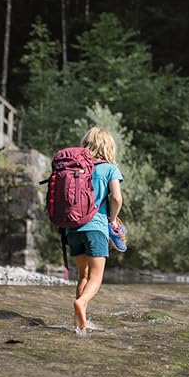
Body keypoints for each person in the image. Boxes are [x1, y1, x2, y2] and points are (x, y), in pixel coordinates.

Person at [70, 127, 123, 334]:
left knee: (82, 275)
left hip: (73, 229)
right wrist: (112, 219)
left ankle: (78, 324)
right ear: (108, 147)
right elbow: (117, 199)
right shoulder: (109, 168)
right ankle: (82, 303)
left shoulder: (76, 168)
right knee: (96, 277)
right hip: (96, 228)